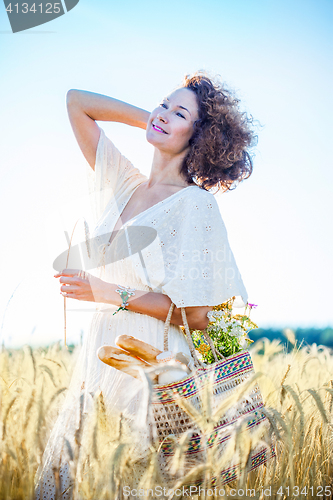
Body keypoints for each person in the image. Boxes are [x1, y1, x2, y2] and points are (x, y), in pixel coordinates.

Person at [35, 72, 256, 499]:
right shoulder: (125, 183)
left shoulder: (195, 204)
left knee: (132, 483)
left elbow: (199, 315)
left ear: (202, 135)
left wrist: (107, 293)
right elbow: (76, 101)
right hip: (100, 361)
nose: (163, 114)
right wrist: (156, 121)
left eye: (180, 113)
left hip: (151, 368)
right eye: (163, 103)